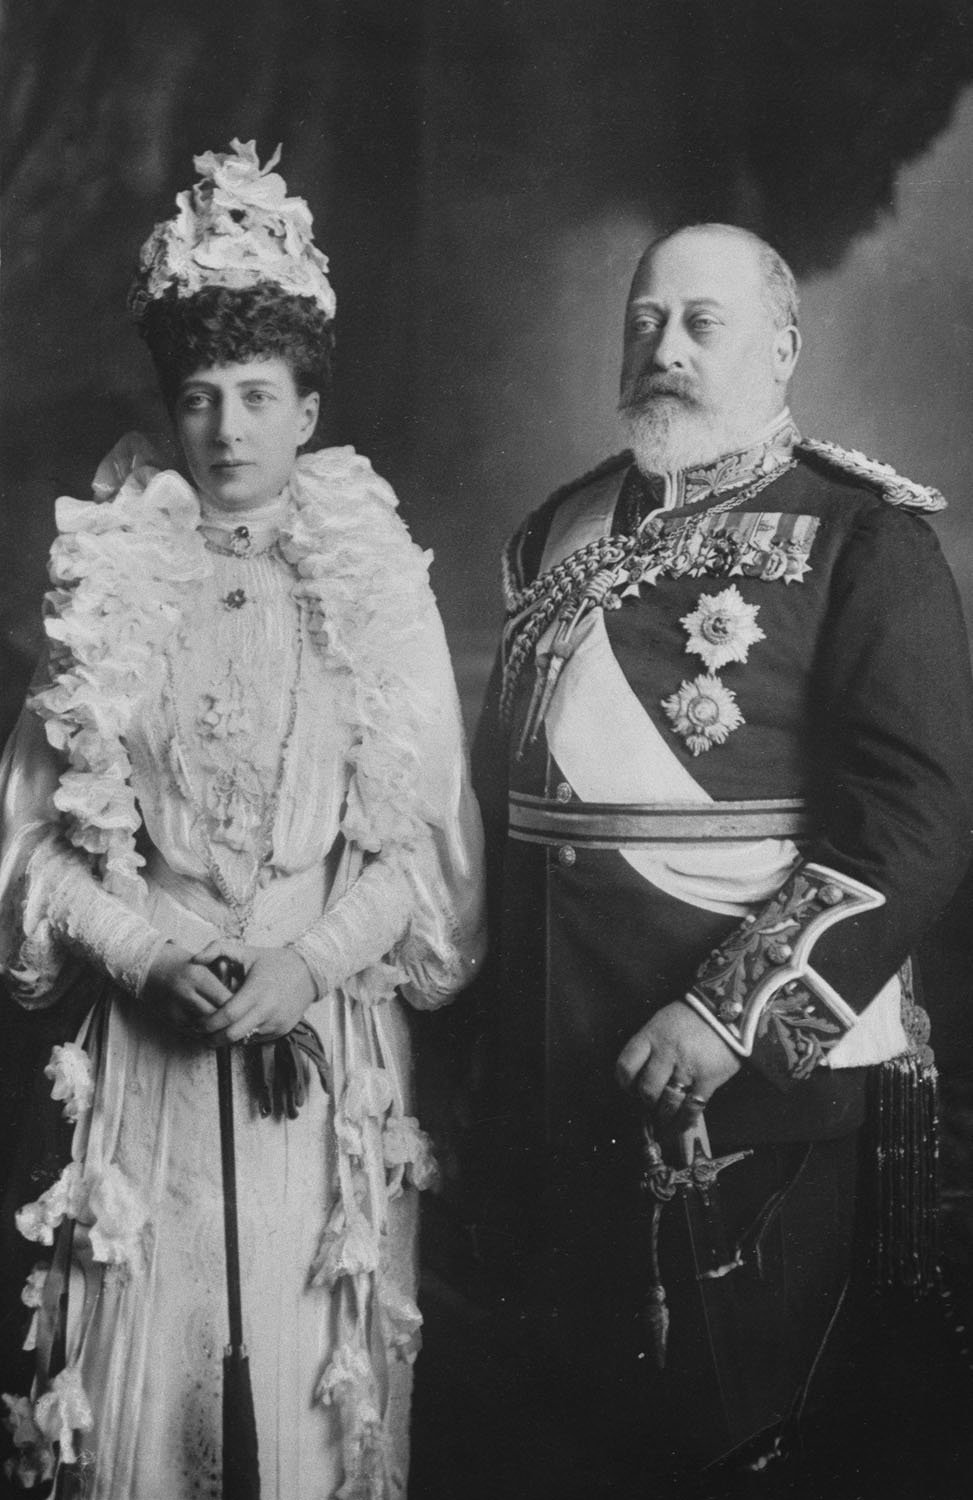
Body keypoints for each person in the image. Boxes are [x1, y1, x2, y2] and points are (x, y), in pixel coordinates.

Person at [0, 139, 484, 1500]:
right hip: (151, 1045)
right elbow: (37, 852)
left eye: (258, 395)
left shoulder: (369, 576)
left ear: (308, 404)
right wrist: (153, 957)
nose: (226, 428)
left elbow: (413, 852)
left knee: (297, 1384)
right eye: (201, 394)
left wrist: (308, 965)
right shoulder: (111, 571)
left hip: (313, 1032)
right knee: (156, 1398)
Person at [469, 223, 973, 1497]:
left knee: (726, 1443)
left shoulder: (864, 537)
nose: (666, 348)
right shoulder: (558, 527)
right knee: (560, 1441)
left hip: (736, 1087)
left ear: (783, 349)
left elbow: (915, 821)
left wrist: (726, 1011)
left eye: (703, 322)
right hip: (550, 1071)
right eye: (645, 320)